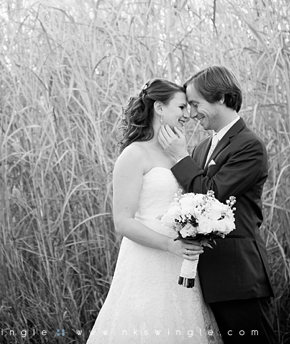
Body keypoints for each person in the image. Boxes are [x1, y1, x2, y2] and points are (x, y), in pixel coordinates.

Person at [87, 79, 222, 344]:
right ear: (159, 107)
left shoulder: (180, 153)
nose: (188, 115)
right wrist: (170, 244)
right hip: (148, 260)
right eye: (181, 107)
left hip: (182, 261)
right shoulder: (134, 154)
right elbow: (123, 222)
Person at [157, 66, 276, 344]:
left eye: (196, 104)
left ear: (221, 97)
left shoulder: (249, 145)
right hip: (204, 279)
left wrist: (178, 156)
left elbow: (210, 196)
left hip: (238, 278)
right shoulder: (200, 148)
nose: (191, 113)